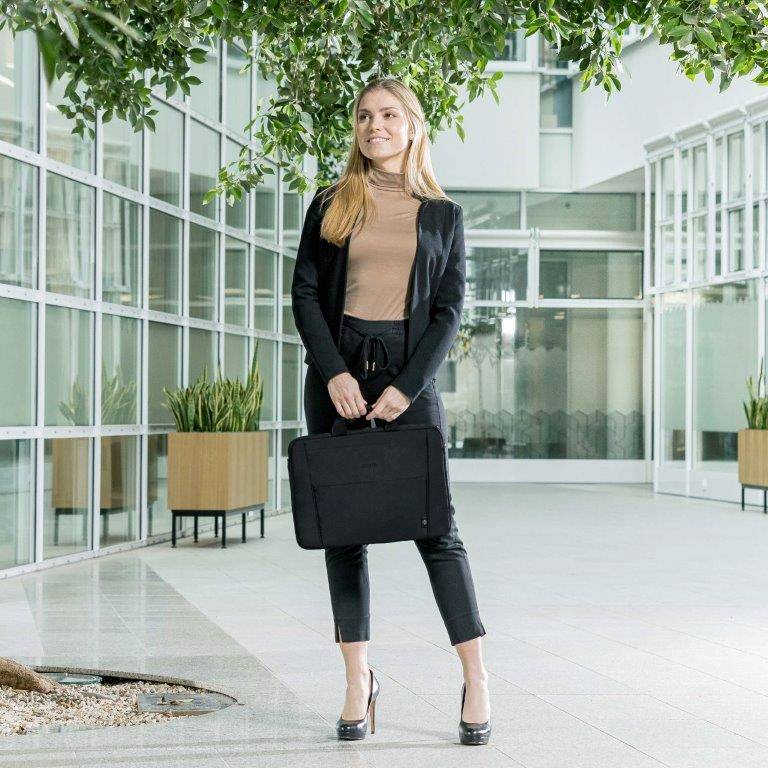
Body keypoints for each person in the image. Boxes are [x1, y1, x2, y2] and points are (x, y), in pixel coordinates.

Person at [291, 76, 490, 746]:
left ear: (412, 125)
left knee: (439, 532)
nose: (373, 125)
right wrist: (335, 372)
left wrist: (407, 387)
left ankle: (476, 675)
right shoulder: (330, 203)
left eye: (387, 114)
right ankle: (358, 680)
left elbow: (449, 313)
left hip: (411, 382)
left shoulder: (444, 215)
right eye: (363, 116)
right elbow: (306, 294)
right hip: (338, 378)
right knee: (343, 534)